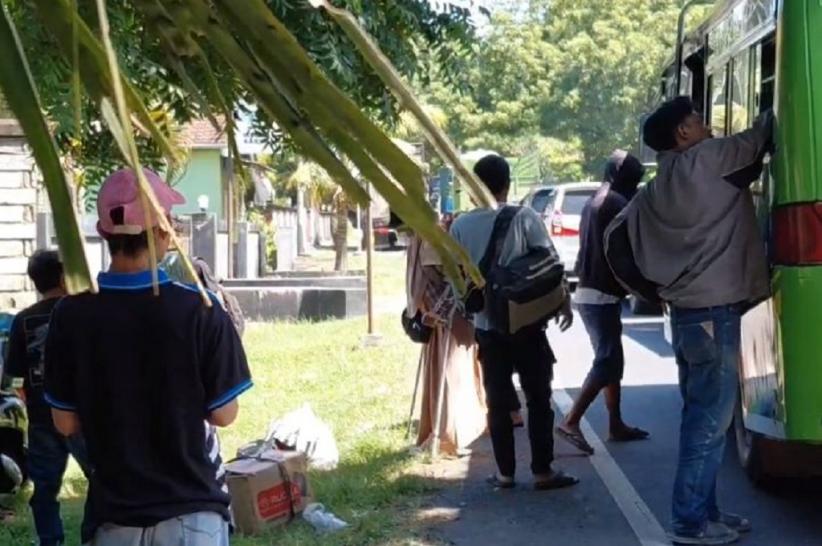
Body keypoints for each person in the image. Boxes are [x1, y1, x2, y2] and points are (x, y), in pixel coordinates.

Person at [43, 168, 252, 546]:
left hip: (113, 519)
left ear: (106, 233)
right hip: (194, 515)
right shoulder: (200, 309)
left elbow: (65, 422)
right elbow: (224, 413)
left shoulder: (70, 315)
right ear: (161, 231)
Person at [632, 96, 773, 545]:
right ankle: (690, 523)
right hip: (716, 313)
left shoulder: (658, 186)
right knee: (709, 426)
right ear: (683, 135)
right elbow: (759, 140)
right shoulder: (708, 160)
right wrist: (772, 108)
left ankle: (707, 512)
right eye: (695, 119)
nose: (704, 123)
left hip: (689, 315)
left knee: (700, 418)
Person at [450, 154, 577, 490]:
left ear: (475, 187)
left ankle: (505, 473)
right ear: (507, 184)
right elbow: (550, 265)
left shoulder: (460, 226)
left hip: (488, 330)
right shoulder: (525, 217)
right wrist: (564, 303)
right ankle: (542, 471)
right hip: (528, 325)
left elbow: (457, 282)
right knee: (538, 399)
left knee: (497, 402)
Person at [556, 151, 649, 455]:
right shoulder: (615, 204)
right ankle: (571, 420)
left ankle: (615, 422)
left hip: (590, 291)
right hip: (601, 293)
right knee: (606, 361)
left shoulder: (597, 200)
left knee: (613, 360)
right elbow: (621, 254)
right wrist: (645, 289)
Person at [3, 250, 93, 546]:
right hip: (83, 414)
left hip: (42, 416)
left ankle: (50, 540)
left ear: (34, 282)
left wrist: (27, 398)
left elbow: (13, 377)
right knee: (101, 479)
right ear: (63, 276)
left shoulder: (23, 321)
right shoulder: (82, 311)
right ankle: (94, 535)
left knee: (44, 488)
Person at [405, 233, 487, 456]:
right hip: (444, 317)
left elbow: (442, 277)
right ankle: (450, 433)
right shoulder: (423, 238)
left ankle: (455, 431)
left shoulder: (426, 237)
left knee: (453, 372)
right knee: (452, 372)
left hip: (446, 316)